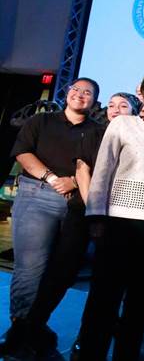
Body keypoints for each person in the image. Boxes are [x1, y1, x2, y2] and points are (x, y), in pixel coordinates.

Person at [76, 69, 144, 360]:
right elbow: (102, 171)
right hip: (119, 222)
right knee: (103, 297)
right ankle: (89, 353)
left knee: (139, 302)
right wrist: (97, 216)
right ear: (142, 96)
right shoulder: (122, 125)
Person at [0, 78, 100, 355]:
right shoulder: (41, 122)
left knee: (61, 273)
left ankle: (35, 325)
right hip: (38, 195)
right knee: (30, 268)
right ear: (68, 93)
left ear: (94, 101)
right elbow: (22, 152)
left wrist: (72, 182)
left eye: (88, 93)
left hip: (77, 205)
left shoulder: (97, 131)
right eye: (76, 90)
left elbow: (91, 168)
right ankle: (19, 329)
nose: (80, 95)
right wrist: (53, 177)